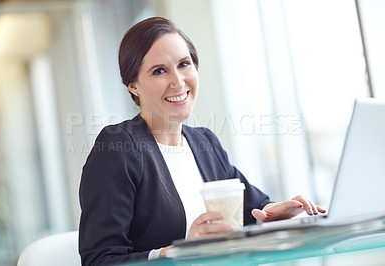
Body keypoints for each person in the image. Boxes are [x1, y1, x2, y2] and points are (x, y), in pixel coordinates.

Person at [78, 16, 326, 265]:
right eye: (159, 71)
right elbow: (100, 260)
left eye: (184, 64)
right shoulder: (118, 147)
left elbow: (252, 209)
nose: (178, 81)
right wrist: (178, 252)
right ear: (134, 86)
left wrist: (275, 212)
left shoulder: (204, 142)